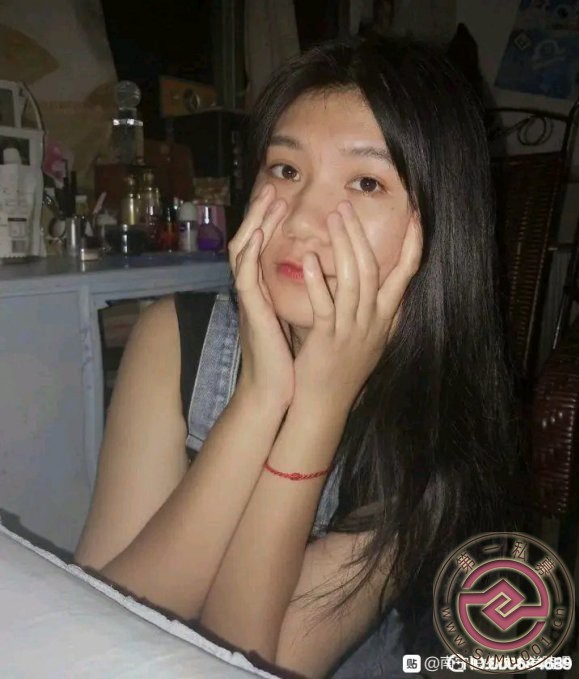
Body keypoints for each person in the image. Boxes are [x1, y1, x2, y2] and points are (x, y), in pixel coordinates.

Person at [74, 36, 518, 678]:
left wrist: (317, 410)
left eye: (366, 182)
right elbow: (95, 625)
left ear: (440, 229)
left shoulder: (432, 426)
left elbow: (244, 661)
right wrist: (259, 399)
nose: (302, 219)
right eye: (286, 170)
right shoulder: (173, 337)